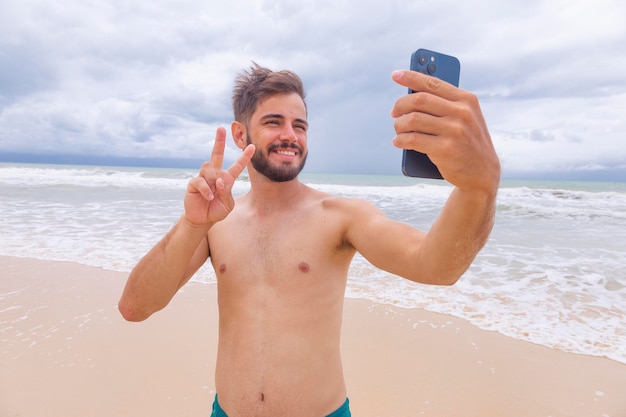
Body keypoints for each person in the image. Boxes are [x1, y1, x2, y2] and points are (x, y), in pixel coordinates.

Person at [118, 62, 500, 417]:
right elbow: (135, 307)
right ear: (240, 133)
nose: (290, 135)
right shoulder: (216, 221)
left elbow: (435, 266)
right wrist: (191, 223)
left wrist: (478, 189)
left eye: (299, 125)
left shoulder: (339, 216)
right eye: (273, 122)